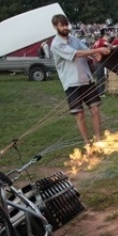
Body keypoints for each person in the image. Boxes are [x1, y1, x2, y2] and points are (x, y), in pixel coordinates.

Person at [49, 14, 111, 143]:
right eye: (62, 25)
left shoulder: (73, 39)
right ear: (55, 27)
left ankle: (98, 139)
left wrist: (98, 55)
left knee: (95, 110)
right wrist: (98, 49)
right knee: (80, 114)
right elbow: (76, 54)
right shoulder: (56, 44)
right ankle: (87, 142)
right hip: (71, 83)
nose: (66, 27)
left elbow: (86, 50)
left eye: (66, 24)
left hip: (86, 79)